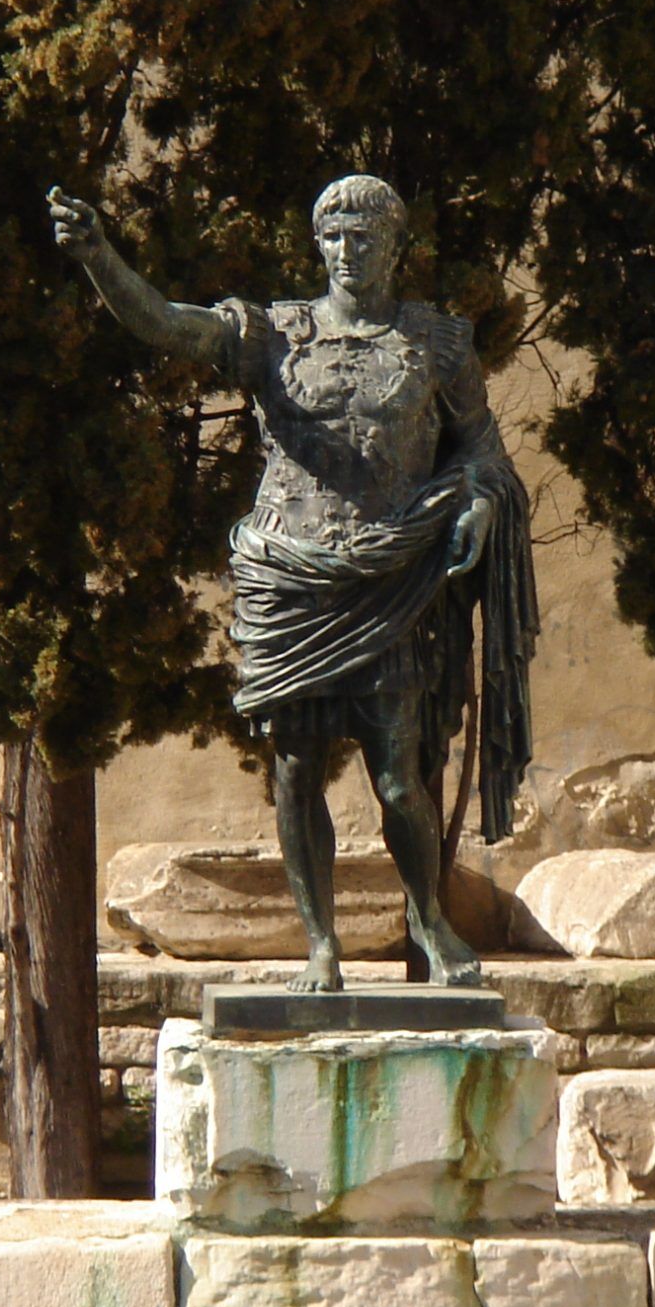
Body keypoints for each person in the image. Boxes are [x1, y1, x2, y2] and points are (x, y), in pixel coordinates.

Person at [49, 174, 536, 990]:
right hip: (289, 571)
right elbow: (168, 326)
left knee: (398, 773)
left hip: (387, 576)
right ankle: (322, 945)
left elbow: (483, 452)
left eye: (365, 237)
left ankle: (427, 914)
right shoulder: (275, 333)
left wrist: (482, 505)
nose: (349, 252)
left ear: (395, 246)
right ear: (320, 246)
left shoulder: (435, 342)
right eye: (335, 237)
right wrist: (100, 255)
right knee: (296, 766)